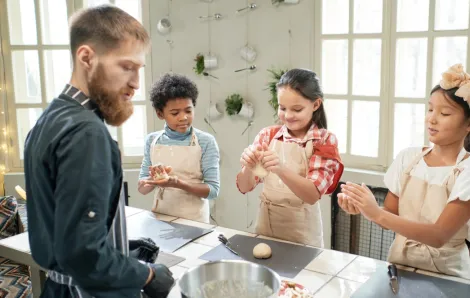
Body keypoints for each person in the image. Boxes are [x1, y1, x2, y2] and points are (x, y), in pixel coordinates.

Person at [24, 5, 174, 297]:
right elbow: (84, 255)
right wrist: (147, 274)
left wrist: (121, 248)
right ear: (86, 58)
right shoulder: (87, 133)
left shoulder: (48, 119)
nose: (135, 84)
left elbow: (66, 235)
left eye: (138, 69)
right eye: (126, 66)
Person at [338, 63, 470, 279]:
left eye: (445, 113)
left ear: (468, 124)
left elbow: (439, 236)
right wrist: (363, 208)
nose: (431, 119)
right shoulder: (409, 159)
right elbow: (390, 214)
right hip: (400, 268)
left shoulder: (467, 170)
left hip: (449, 275)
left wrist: (377, 213)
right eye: (430, 109)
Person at [236, 68, 344, 247]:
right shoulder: (268, 135)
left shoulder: (324, 140)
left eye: (297, 109)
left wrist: (280, 168)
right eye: (282, 108)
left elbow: (312, 195)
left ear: (316, 105)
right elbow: (244, 186)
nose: (287, 116)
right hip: (265, 228)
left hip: (303, 235)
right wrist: (249, 166)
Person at [138, 73, 220, 223]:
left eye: (188, 111)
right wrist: (154, 177)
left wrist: (177, 183)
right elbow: (142, 189)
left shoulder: (205, 141)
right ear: (160, 113)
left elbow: (213, 190)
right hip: (160, 217)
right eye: (175, 113)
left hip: (195, 221)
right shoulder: (152, 140)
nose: (183, 117)